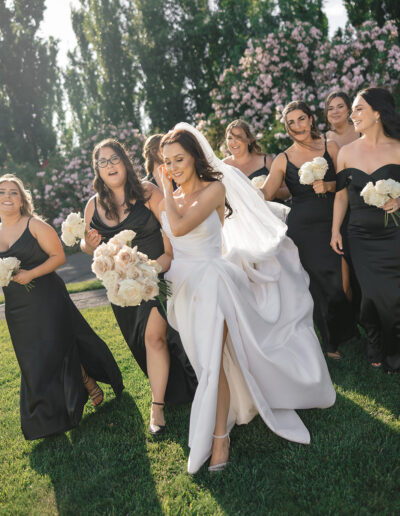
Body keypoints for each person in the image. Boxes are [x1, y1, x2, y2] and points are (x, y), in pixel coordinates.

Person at [159, 124, 336, 474]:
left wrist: (165, 190)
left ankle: (218, 440)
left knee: (211, 363)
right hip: (182, 288)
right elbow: (171, 248)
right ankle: (231, 416)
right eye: (167, 161)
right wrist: (142, 269)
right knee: (206, 362)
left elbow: (181, 228)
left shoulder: (214, 188)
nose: (173, 167)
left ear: (195, 157)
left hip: (213, 283)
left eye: (179, 159)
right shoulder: (173, 199)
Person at [81, 139, 196, 435]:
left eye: (113, 158)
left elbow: (169, 226)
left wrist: (166, 258)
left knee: (154, 338)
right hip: (121, 289)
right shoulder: (93, 205)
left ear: (124, 161)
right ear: (97, 170)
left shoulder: (147, 192)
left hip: (156, 276)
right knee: (143, 345)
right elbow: (85, 243)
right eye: (102, 162)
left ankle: (156, 408)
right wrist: (88, 245)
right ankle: (180, 386)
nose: (109, 165)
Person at [0, 174, 124, 440]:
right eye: (2, 192)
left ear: (22, 200)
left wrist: (31, 275)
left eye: (13, 192)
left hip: (47, 298)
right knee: (33, 359)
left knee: (56, 348)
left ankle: (84, 385)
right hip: (17, 308)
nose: (7, 197)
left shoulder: (34, 225)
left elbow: (59, 257)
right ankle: (48, 415)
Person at [331, 87, 400, 372]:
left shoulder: (398, 148)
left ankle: (393, 347)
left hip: (394, 235)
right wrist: (336, 230)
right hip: (359, 234)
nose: (352, 114)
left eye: (359, 109)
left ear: (378, 113)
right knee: (370, 293)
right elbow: (341, 194)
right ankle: (374, 341)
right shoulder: (346, 153)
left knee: (394, 295)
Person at [223, 119, 290, 202]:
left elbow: (287, 190)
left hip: (271, 212)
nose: (233, 142)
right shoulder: (223, 166)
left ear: (249, 140)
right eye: (230, 138)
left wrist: (270, 191)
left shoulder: (266, 161)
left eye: (238, 137)